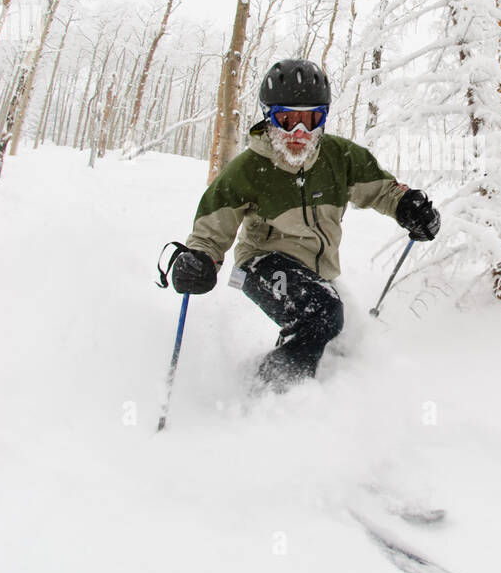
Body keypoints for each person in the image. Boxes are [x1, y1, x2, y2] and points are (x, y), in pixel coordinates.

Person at [169, 57, 440, 390]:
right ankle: (272, 394)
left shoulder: (340, 158)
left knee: (344, 338)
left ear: (322, 120)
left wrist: (408, 207)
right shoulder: (250, 168)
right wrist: (199, 258)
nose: (298, 133)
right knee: (322, 313)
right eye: (287, 119)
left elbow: (382, 191)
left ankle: (320, 393)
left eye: (310, 119)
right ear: (269, 119)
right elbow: (211, 230)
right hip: (256, 265)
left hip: (317, 272)